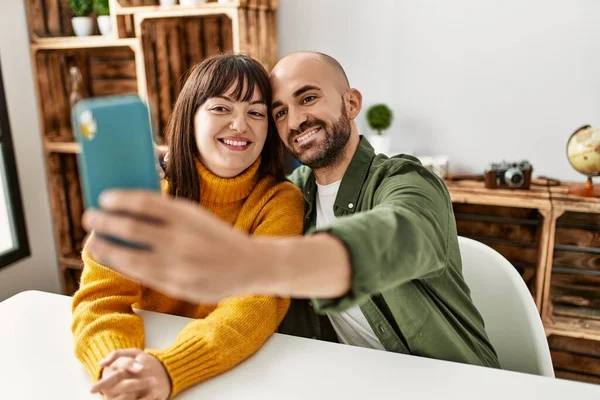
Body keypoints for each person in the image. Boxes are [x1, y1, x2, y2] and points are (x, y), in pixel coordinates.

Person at [83, 51, 500, 369]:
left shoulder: (405, 181)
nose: (296, 120)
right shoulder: (291, 194)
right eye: (280, 111)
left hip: (454, 380)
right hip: (343, 376)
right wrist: (176, 158)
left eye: (309, 98)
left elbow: (399, 236)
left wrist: (252, 262)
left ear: (352, 103)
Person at [72, 54, 304, 400]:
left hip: (227, 375)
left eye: (255, 113)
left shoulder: (279, 201)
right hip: (141, 356)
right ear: (190, 117)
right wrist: (117, 366)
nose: (241, 125)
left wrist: (171, 367)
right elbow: (102, 297)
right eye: (221, 108)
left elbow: (258, 302)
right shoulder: (148, 190)